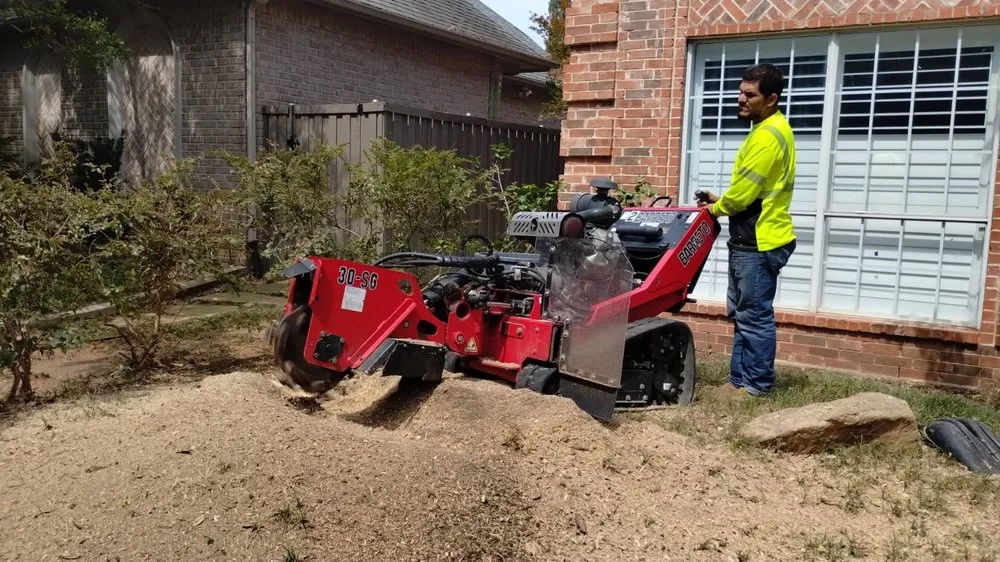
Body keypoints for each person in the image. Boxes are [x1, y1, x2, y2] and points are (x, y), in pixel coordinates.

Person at [696, 63, 797, 398]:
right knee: (744, 315)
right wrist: (721, 200)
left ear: (771, 99)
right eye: (740, 92)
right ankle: (738, 382)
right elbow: (753, 190)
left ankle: (756, 386)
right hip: (751, 237)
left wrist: (716, 208)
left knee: (754, 317)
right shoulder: (768, 128)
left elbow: (743, 196)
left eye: (749, 94)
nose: (741, 99)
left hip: (759, 240)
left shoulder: (767, 136)